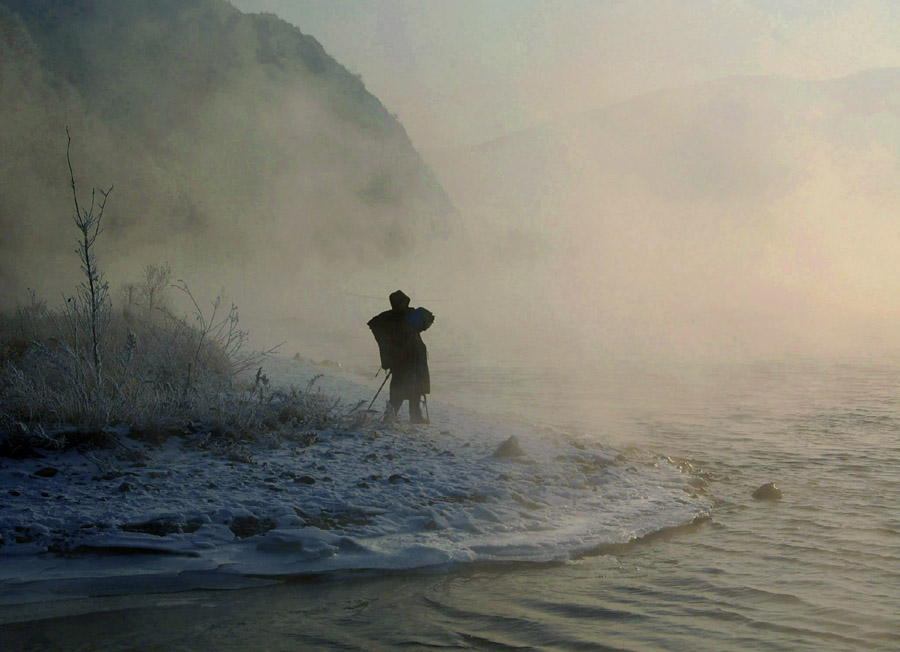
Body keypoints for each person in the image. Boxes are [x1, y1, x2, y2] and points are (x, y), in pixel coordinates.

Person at [367, 290, 434, 424]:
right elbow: (376, 327)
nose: (402, 305)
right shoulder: (390, 318)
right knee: (399, 387)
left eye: (404, 302)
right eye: (400, 302)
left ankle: (415, 415)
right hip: (402, 359)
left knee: (416, 386)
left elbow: (428, 318)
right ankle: (390, 416)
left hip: (414, 358)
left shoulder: (409, 315)